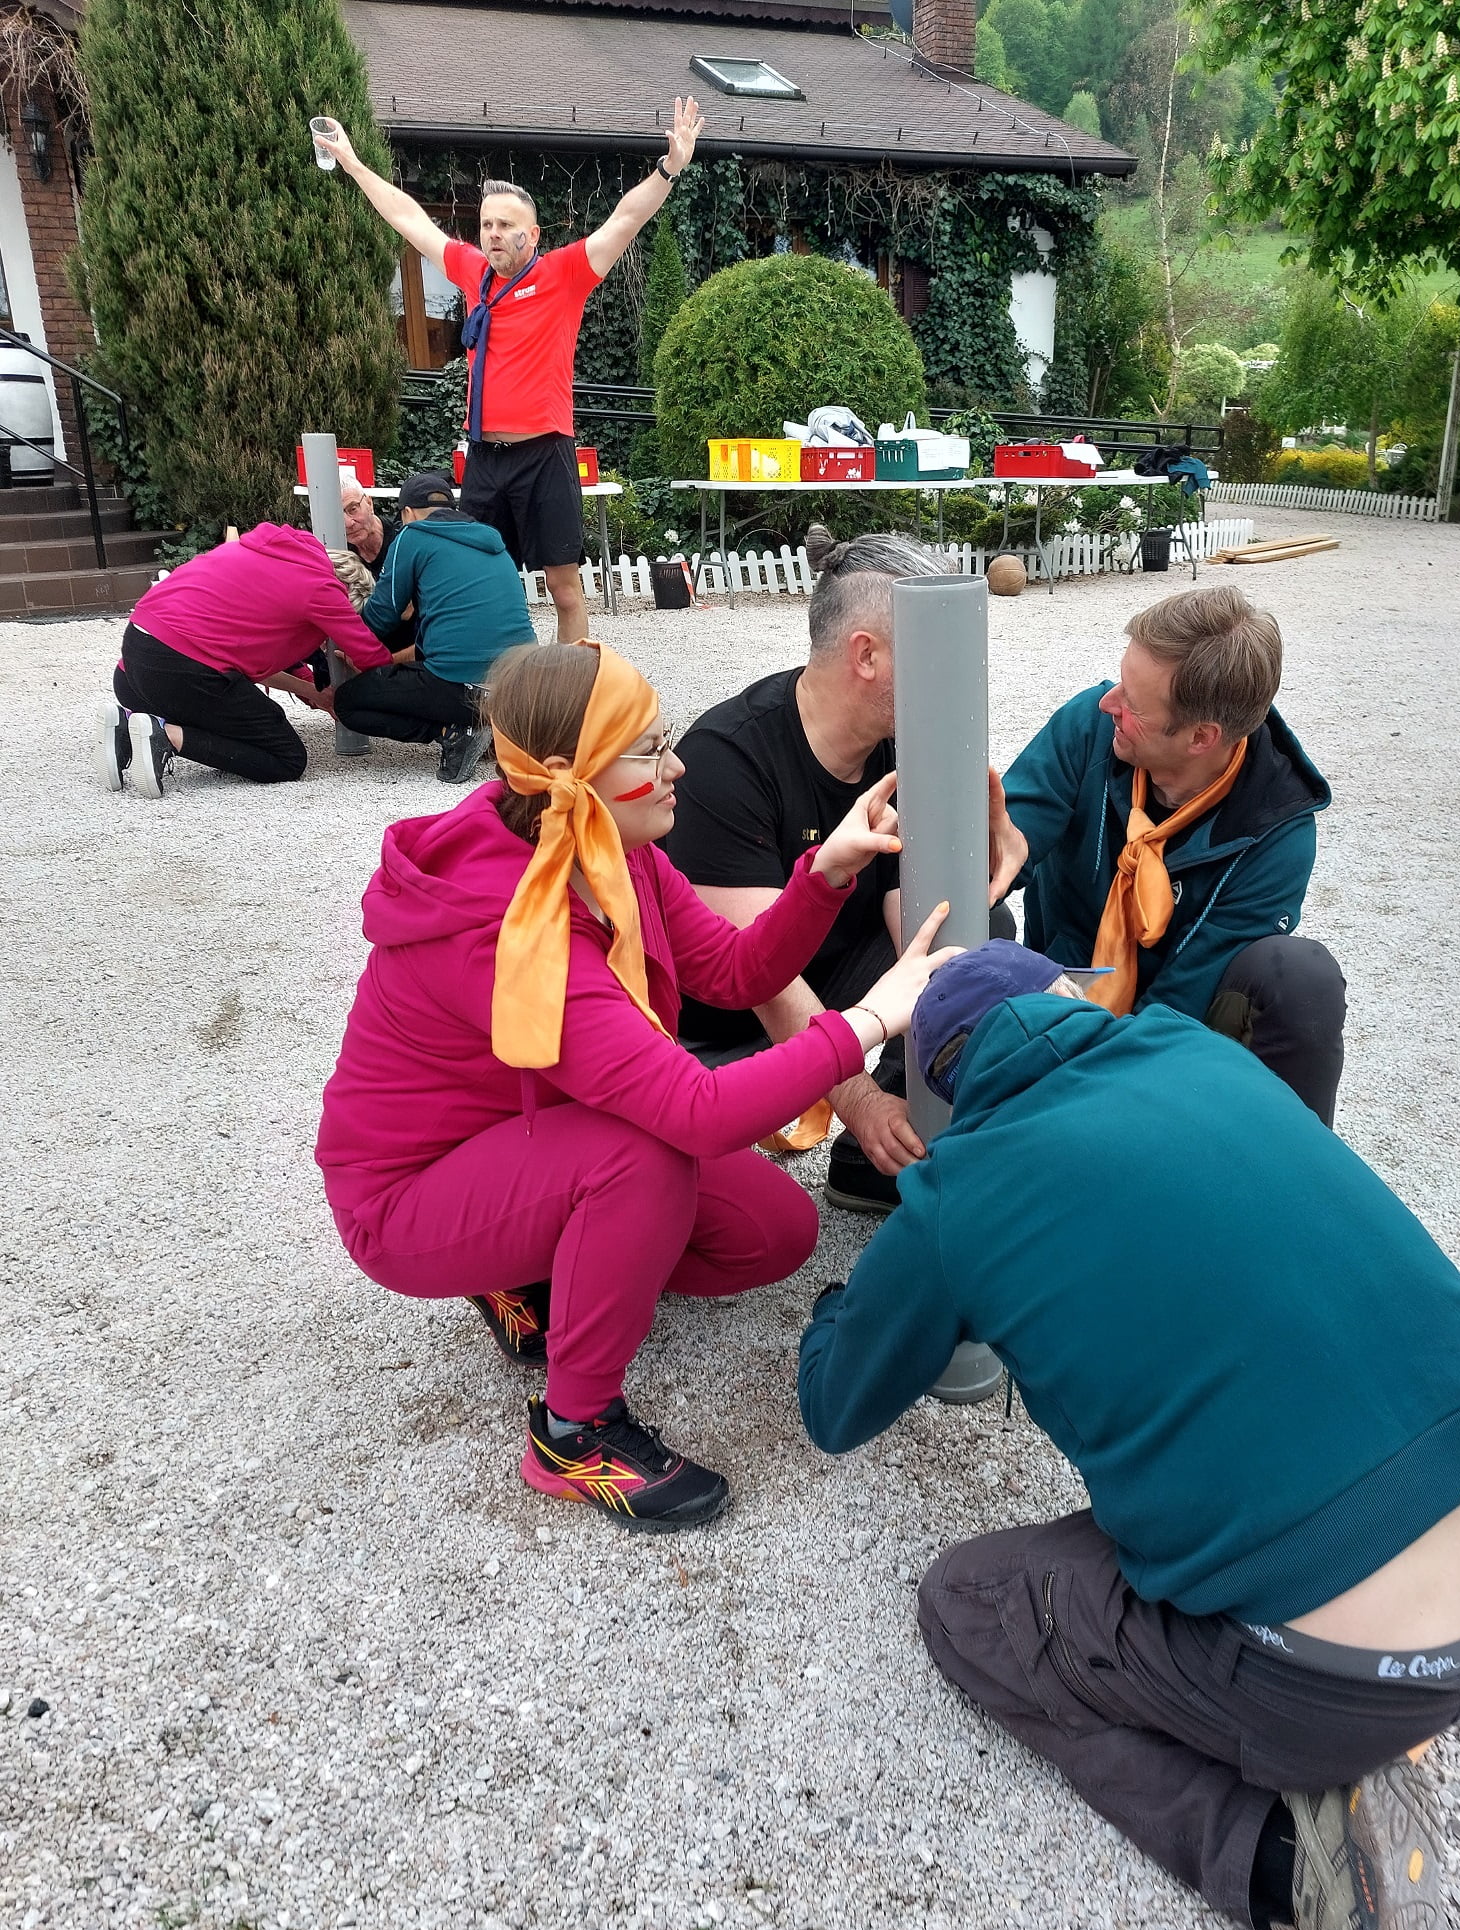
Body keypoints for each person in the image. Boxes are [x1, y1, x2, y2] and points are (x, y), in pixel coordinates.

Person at [797, 943, 1460, 1930]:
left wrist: (845, 1299)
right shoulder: (1206, 1054)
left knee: (968, 1599)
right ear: (1066, 998)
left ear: (946, 1085)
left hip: (1343, 1672)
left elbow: (835, 1409)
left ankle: (1290, 1859)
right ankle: (1352, 1717)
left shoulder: (962, 1184)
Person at [315, 639, 958, 1528]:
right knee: (640, 1153)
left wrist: (826, 873)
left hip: (533, 1133)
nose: (678, 764)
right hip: (408, 1196)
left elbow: (731, 974)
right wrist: (869, 1023)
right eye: (649, 748)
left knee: (775, 1232)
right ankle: (574, 1431)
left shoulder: (605, 842)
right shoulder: (511, 917)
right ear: (564, 772)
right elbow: (698, 1114)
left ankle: (531, 1269)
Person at [660, 534, 1026, 1214]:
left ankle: (887, 1158)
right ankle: (874, 1132)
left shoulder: (902, 739)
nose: (954, 676)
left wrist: (984, 874)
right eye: (936, 652)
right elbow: (760, 980)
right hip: (723, 1021)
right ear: (867, 654)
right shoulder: (725, 761)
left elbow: (914, 915)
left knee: (979, 927)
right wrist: (857, 1099)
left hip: (829, 977)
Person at [313, 104, 704, 644]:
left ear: (533, 234)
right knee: (475, 582)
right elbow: (408, 218)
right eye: (487, 224)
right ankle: (485, 697)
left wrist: (669, 168)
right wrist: (354, 164)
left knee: (565, 589)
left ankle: (565, 702)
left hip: (545, 453)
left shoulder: (564, 274)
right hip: (485, 461)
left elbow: (625, 219)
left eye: (506, 226)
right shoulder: (474, 274)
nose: (493, 234)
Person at [1000, 586, 1349, 1126]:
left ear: (1201, 737)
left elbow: (1182, 1002)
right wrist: (984, 866)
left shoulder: (1276, 830)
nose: (1107, 703)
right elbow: (1006, 846)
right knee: (972, 915)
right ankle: (902, 1141)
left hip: (1183, 1034)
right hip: (1062, 989)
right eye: (1119, 681)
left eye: (1133, 705)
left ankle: (1279, 1175)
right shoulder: (1089, 730)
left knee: (1300, 977)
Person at [101, 522, 393, 795]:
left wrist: (313, 691)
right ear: (348, 595)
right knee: (286, 757)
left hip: (137, 660)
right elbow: (371, 655)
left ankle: (128, 726)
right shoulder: (324, 589)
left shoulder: (266, 551)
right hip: (180, 668)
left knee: (228, 713)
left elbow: (236, 661)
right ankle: (164, 735)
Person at [333, 470, 537, 783]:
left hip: (462, 687)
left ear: (407, 513)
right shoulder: (489, 538)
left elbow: (382, 614)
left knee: (347, 703)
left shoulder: (411, 537)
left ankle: (454, 731)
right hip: (521, 682)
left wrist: (344, 638)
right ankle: (493, 726)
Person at [341, 472, 399, 577]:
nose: (348, 523)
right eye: (337, 515)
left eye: (353, 509)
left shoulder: (400, 539)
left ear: (369, 503)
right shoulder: (338, 552)